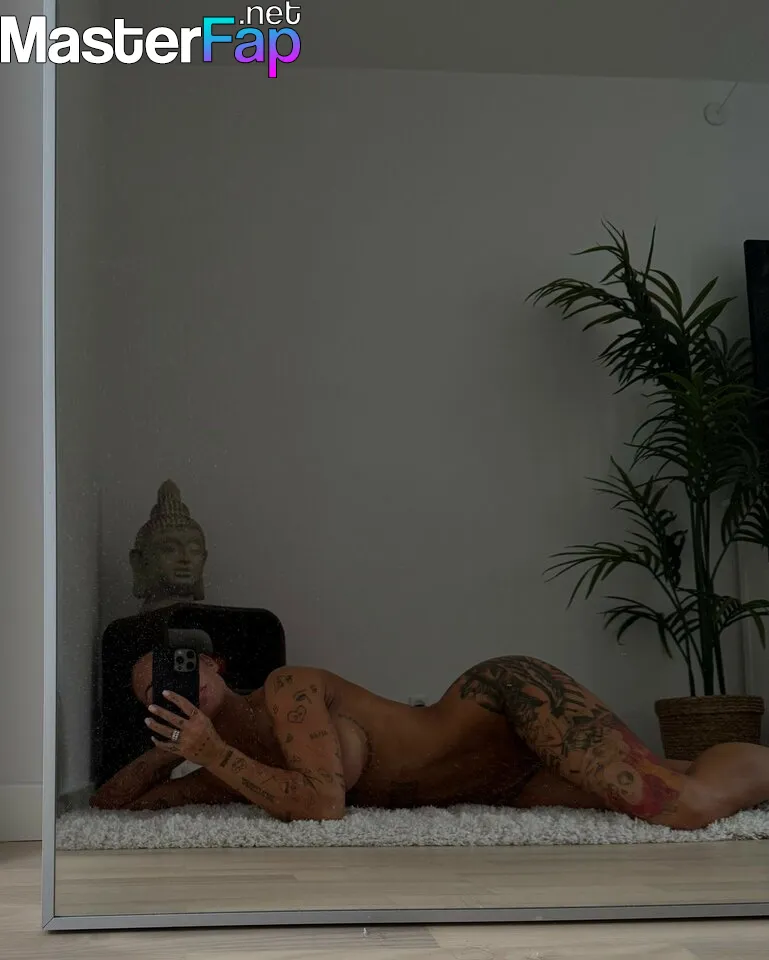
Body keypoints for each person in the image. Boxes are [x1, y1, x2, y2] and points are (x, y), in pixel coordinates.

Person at [90, 653, 769, 830]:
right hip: (501, 786)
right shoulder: (234, 771)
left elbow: (323, 803)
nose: (175, 686)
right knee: (673, 777)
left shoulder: (286, 688)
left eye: (182, 670)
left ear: (214, 665)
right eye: (157, 691)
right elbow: (113, 807)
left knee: (679, 806)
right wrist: (170, 748)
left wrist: (208, 749)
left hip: (497, 710)